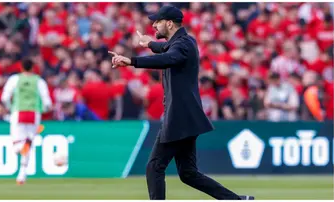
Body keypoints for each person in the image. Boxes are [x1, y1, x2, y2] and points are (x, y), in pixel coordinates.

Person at [109, 5, 254, 200]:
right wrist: (150, 43)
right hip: (186, 117)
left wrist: (132, 61)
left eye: (157, 21)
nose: (153, 25)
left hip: (179, 117)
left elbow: (168, 58)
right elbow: (166, 49)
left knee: (154, 167)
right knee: (188, 174)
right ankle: (237, 200)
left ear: (169, 23)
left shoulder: (183, 44)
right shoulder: (182, 42)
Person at [1, 58, 52, 185]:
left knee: (17, 144)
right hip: (34, 114)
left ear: (21, 67)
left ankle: (21, 147)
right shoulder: (39, 81)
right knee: (28, 144)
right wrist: (43, 110)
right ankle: (22, 174)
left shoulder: (15, 79)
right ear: (33, 68)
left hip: (18, 112)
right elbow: (47, 102)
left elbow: (4, 97)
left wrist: (9, 107)